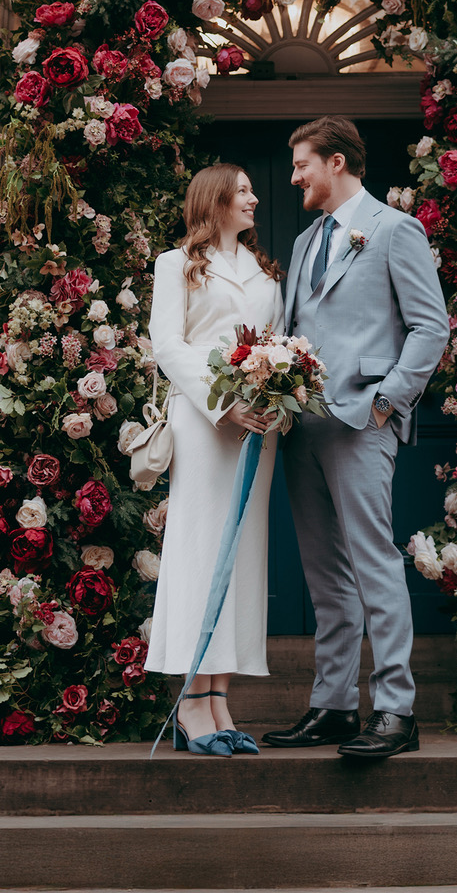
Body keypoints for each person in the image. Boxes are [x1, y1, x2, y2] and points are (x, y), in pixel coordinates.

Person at [263, 116, 450, 759]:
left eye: (302, 165)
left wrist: (384, 404)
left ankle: (397, 711)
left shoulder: (397, 230)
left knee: (374, 565)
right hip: (301, 428)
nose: (294, 178)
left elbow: (431, 329)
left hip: (360, 426)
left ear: (336, 162)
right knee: (325, 576)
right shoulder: (307, 238)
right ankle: (335, 706)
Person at [147, 163, 283, 756]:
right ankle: (191, 701)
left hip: (259, 423)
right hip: (205, 421)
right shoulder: (175, 265)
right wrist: (220, 405)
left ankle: (220, 696)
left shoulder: (263, 269)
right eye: (244, 188)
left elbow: (276, 340)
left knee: (243, 553)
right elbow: (167, 344)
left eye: (254, 188)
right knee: (202, 551)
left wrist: (280, 394)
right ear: (215, 198)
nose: (254, 197)